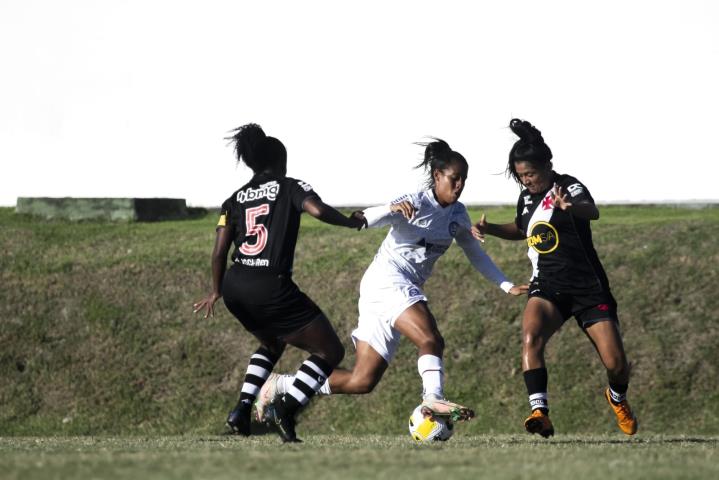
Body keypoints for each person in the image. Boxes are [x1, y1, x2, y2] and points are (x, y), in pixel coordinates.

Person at [256, 138, 527, 423]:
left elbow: (474, 252)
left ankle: (280, 384)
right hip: (388, 282)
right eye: (454, 178)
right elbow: (360, 220)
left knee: (362, 380)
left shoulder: (458, 214)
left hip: (388, 290)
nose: (459, 186)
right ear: (437, 176)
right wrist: (390, 208)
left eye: (464, 180)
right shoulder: (414, 203)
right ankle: (432, 398)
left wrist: (505, 285)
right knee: (430, 338)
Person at [192, 123, 364, 442]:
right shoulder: (289, 186)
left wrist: (216, 290)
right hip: (269, 285)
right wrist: (351, 223)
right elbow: (318, 209)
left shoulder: (234, 199)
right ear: (280, 162)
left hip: (233, 286)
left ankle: (241, 411)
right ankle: (286, 408)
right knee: (330, 351)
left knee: (272, 343)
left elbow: (218, 252)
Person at [471, 118, 638, 437]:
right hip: (547, 285)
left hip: (588, 288)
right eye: (521, 176)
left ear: (548, 166)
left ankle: (616, 397)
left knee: (616, 364)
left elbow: (592, 211)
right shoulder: (527, 197)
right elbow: (522, 230)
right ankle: (540, 412)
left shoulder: (568, 186)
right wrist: (490, 229)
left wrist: (570, 206)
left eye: (530, 174)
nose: (526, 181)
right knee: (530, 337)